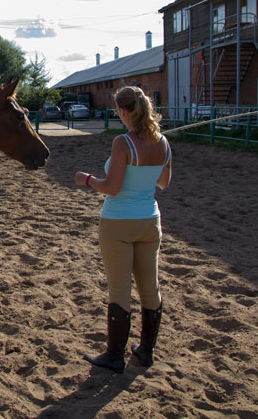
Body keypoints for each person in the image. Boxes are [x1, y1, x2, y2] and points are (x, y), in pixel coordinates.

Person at [74, 86, 172, 373]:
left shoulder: (122, 143)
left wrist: (87, 179)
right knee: (150, 287)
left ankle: (114, 355)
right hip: (150, 220)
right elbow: (163, 183)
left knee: (119, 289)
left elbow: (112, 187)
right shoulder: (163, 142)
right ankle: (146, 351)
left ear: (123, 111)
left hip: (118, 222)